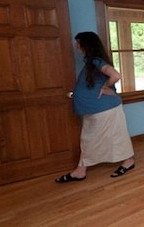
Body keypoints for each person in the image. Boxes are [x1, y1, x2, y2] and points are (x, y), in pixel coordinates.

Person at [55, 31, 135, 183]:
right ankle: (82, 169)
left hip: (105, 109)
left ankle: (126, 161)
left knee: (100, 138)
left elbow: (116, 76)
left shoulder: (97, 61)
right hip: (97, 109)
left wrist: (105, 86)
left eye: (78, 42)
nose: (76, 45)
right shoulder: (91, 62)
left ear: (86, 44)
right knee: (99, 137)